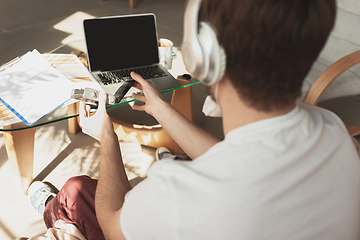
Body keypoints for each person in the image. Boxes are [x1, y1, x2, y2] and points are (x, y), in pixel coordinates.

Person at [22, 0, 360, 239]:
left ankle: (53, 210)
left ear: (203, 56)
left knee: (75, 191)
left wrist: (107, 136)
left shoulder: (180, 190)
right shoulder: (333, 132)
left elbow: (112, 227)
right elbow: (233, 158)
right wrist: (159, 108)